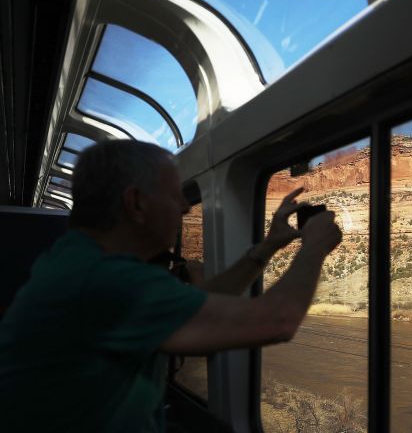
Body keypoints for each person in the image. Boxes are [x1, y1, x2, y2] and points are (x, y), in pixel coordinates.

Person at [0, 140, 342, 432]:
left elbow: (199, 303)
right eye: (174, 194)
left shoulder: (79, 261)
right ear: (136, 203)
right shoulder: (104, 280)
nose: (185, 205)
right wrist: (314, 246)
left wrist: (267, 248)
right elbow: (277, 320)